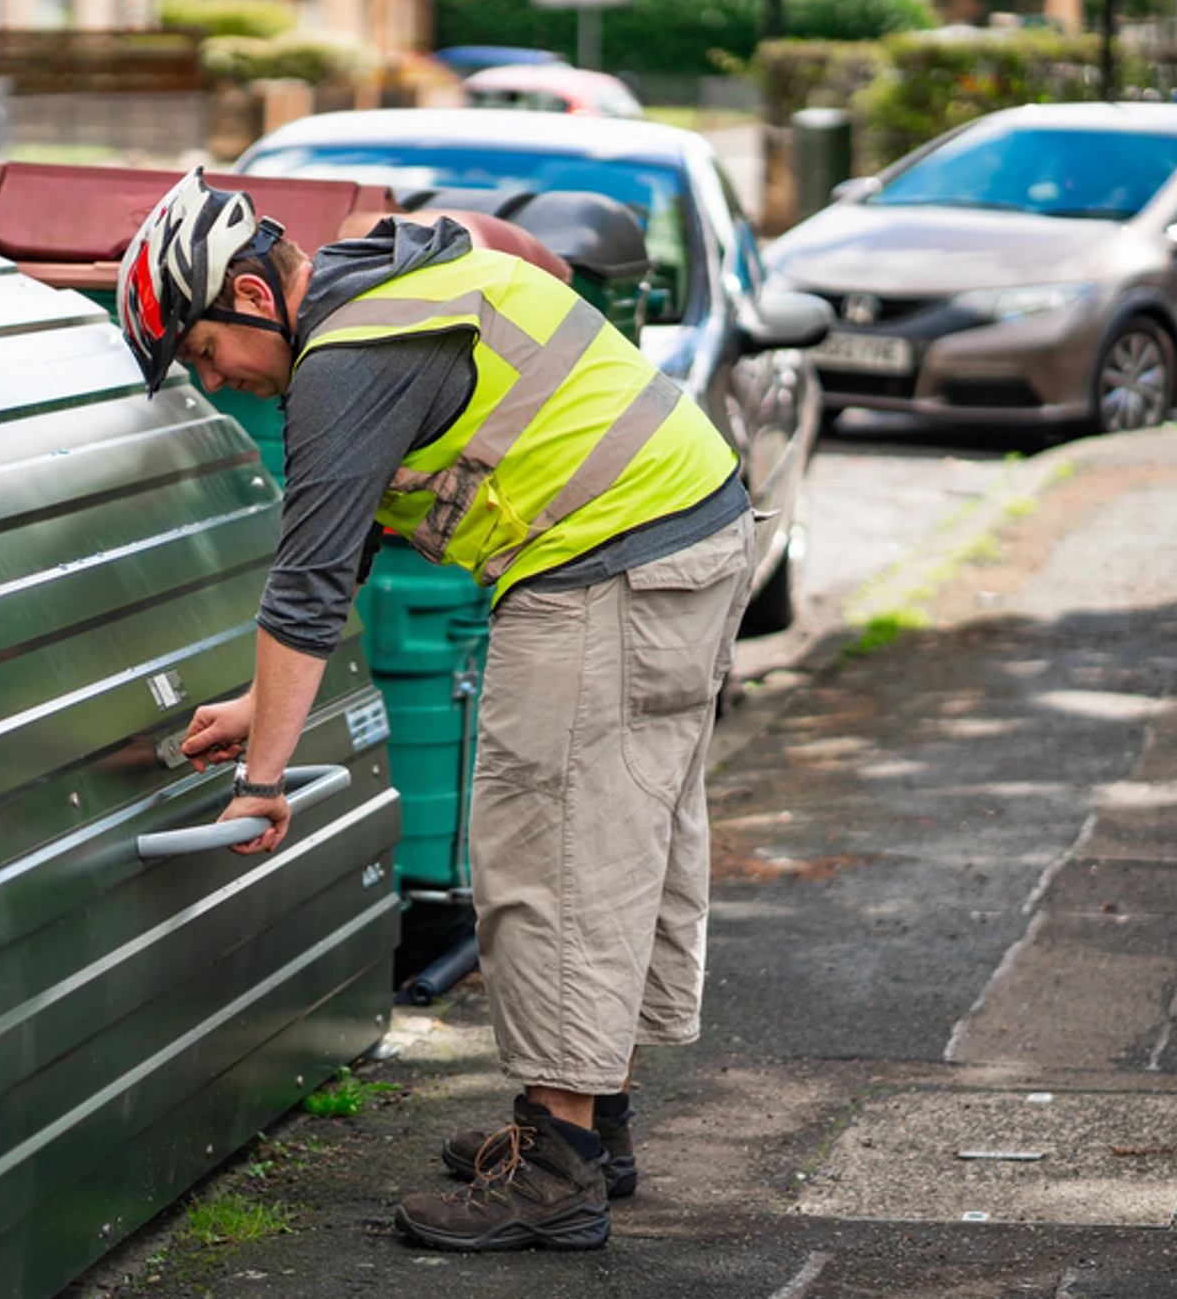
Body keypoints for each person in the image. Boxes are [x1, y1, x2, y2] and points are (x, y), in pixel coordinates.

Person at [118, 168, 758, 1252]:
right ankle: (592, 1122)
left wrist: (262, 782)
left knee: (552, 852)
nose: (214, 380)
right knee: (623, 835)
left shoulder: (350, 358)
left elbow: (308, 581)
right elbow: (357, 533)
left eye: (199, 349)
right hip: (682, 535)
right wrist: (253, 703)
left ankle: (555, 1171)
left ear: (254, 300)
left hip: (604, 570)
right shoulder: (391, 295)